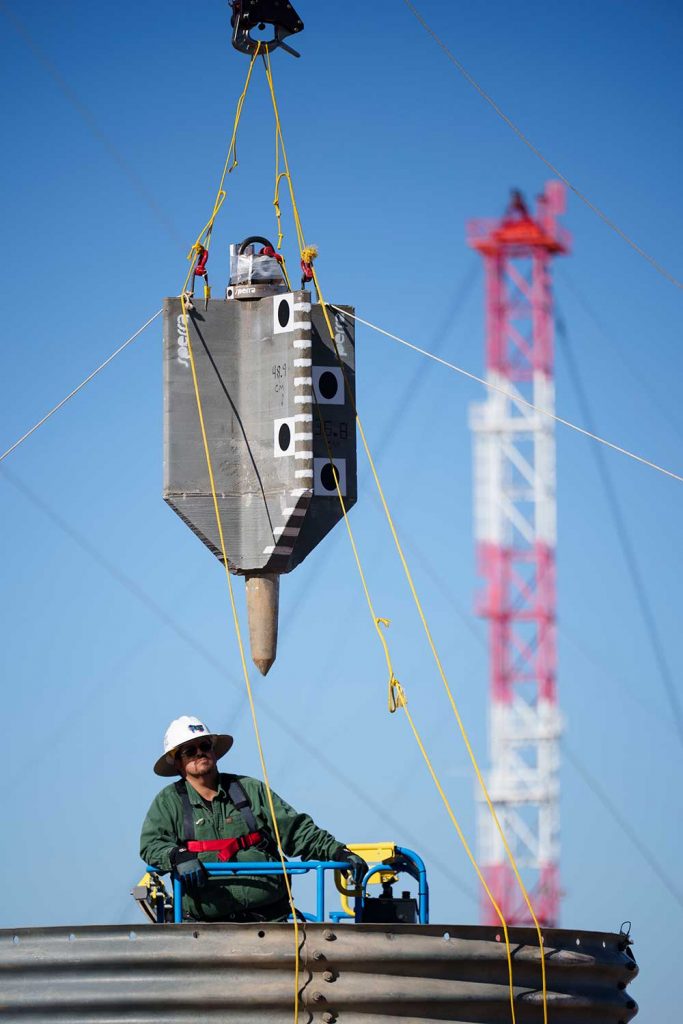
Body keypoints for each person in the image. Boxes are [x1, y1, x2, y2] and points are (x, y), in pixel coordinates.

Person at [140, 716, 367, 922]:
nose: (200, 753)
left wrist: (339, 852)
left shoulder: (249, 790)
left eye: (205, 746)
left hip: (270, 919)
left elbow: (297, 831)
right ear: (178, 762)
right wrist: (177, 856)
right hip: (206, 929)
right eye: (190, 750)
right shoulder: (168, 802)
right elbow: (151, 845)